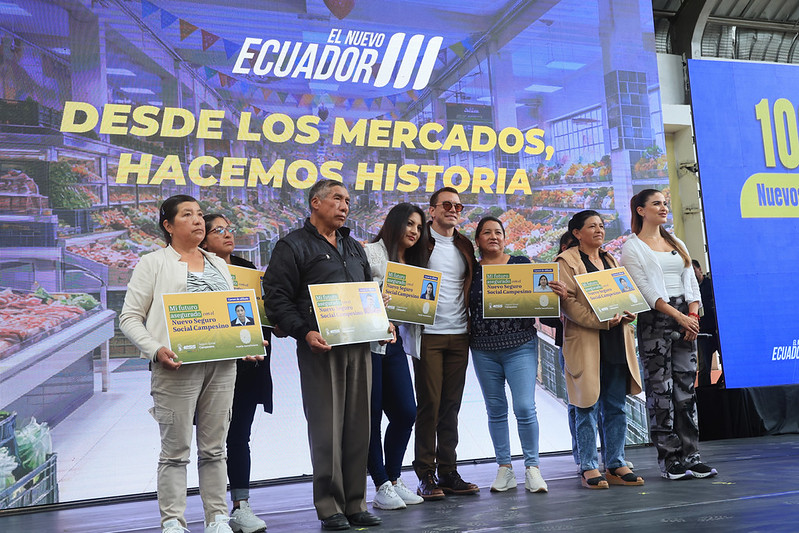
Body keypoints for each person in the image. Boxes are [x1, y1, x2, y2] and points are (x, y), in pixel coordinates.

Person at [119, 196, 265, 533]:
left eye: (200, 214)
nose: (198, 220)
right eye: (187, 215)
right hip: (176, 367)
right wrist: (155, 349)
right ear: (168, 226)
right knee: (175, 451)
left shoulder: (218, 264)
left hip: (222, 367)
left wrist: (246, 344)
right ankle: (173, 521)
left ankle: (217, 517)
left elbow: (230, 313)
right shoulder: (153, 263)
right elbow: (129, 318)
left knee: (214, 449)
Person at [262, 179, 383, 531]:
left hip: (360, 344)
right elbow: (277, 297)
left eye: (348, 201)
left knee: (359, 426)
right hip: (321, 348)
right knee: (327, 427)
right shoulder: (292, 246)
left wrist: (382, 320)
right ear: (315, 202)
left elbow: (367, 292)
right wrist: (304, 332)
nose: (345, 206)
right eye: (337, 199)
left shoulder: (353, 246)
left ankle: (355, 503)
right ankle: (330, 506)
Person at [621, 189, 718, 480]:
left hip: (686, 318)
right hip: (656, 320)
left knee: (686, 390)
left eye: (665, 203)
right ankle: (670, 460)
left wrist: (692, 315)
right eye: (656, 204)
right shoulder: (632, 247)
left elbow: (691, 281)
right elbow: (646, 290)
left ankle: (692, 456)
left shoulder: (676, 242)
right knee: (660, 391)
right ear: (640, 210)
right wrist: (679, 317)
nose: (663, 208)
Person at [553, 210, 644, 490]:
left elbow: (622, 295)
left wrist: (629, 311)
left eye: (601, 226)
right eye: (592, 226)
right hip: (586, 341)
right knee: (586, 405)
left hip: (615, 341)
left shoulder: (609, 259)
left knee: (616, 406)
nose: (599, 230)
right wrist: (600, 321)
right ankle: (589, 466)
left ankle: (616, 462)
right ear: (577, 233)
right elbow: (568, 304)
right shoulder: (565, 261)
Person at [201, 214, 272, 533]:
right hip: (214, 366)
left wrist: (274, 320)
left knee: (240, 436)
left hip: (249, 366)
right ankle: (214, 512)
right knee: (212, 442)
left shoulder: (247, 270)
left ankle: (241, 506)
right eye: (219, 230)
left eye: (229, 229)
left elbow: (263, 313)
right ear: (203, 240)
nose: (228, 234)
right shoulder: (196, 271)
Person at [468, 216, 548, 494]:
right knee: (495, 410)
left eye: (498, 232)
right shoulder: (472, 270)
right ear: (477, 240)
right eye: (486, 232)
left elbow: (539, 298)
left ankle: (533, 468)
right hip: (483, 349)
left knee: (524, 407)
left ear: (505, 238)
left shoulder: (520, 264)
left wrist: (552, 295)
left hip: (520, 346)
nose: (493, 236)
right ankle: (504, 468)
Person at [413, 187, 479, 499]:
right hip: (428, 334)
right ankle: (425, 473)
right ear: (433, 210)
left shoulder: (464, 244)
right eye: (447, 205)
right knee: (430, 404)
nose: (453, 210)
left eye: (458, 206)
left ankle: (448, 471)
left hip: (459, 333)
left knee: (451, 405)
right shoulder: (419, 241)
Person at [363, 203, 428, 511]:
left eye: (419, 227)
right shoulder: (370, 252)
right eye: (410, 224)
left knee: (405, 412)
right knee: (372, 416)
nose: (414, 231)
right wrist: (376, 297)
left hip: (394, 343)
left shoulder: (412, 263)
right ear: (394, 223)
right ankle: (381, 484)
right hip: (368, 344)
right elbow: (355, 293)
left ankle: (393, 477)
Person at [692, 260, 722, 387]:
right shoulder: (691, 290)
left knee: (727, 362)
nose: (692, 274)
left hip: (717, 330)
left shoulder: (711, 284)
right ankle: (706, 394)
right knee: (704, 367)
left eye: (693, 270)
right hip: (703, 332)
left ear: (700, 269)